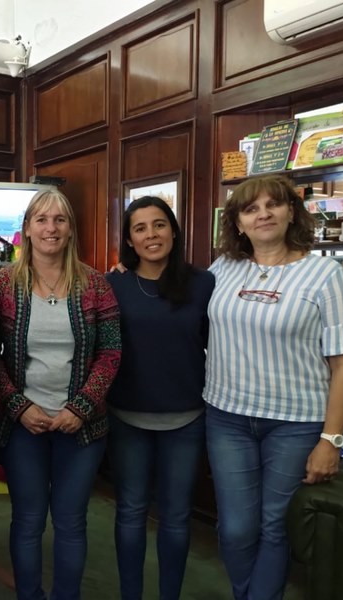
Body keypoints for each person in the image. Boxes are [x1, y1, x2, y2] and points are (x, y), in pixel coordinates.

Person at [205, 174, 343, 600]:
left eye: (273, 205)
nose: (263, 214)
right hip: (227, 417)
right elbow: (175, 303)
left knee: (275, 526)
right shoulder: (222, 269)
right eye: (251, 208)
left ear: (291, 211)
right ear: (237, 222)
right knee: (236, 528)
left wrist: (330, 439)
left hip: (295, 424)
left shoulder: (325, 273)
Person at [0, 189, 121, 600]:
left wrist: (81, 408)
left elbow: (111, 352)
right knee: (27, 521)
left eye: (60, 220)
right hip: (22, 426)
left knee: (70, 521)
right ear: (26, 229)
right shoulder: (1, 285)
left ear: (70, 230)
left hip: (81, 429)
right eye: (42, 219)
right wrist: (18, 405)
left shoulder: (96, 284)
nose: (51, 227)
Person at [105, 196, 214, 600]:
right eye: (140, 228)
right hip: (126, 416)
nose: (151, 234)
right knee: (131, 512)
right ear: (130, 240)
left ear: (173, 230)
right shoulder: (112, 284)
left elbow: (215, 345)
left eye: (159, 225)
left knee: (176, 516)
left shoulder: (203, 283)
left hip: (186, 418)